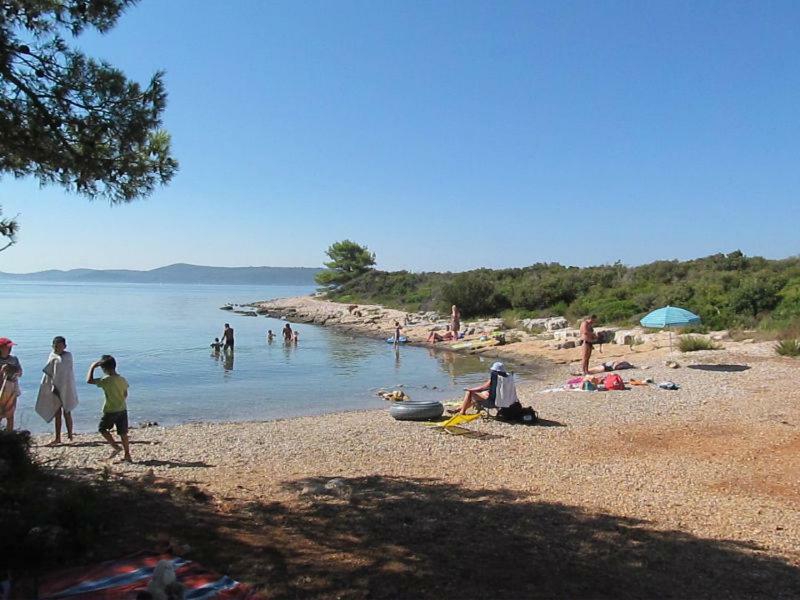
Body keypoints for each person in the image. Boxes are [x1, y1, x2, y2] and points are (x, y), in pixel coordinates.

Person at [87, 355, 132, 462]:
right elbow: (125, 394)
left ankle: (116, 447)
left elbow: (89, 380)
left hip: (110, 410)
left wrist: (92, 367)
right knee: (123, 433)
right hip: (122, 409)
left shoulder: (106, 380)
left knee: (102, 429)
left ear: (103, 369)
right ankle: (127, 454)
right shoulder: (122, 379)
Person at [36, 336, 79, 445]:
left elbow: (66, 373)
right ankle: (58, 437)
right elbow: (49, 373)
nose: (57, 348)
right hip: (53, 388)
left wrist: (62, 386)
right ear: (52, 346)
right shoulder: (52, 356)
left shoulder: (68, 356)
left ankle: (70, 435)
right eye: (55, 346)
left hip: (66, 387)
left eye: (60, 346)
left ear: (64, 346)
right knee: (57, 413)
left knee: (67, 411)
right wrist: (51, 386)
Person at [0, 338, 22, 432]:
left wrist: (12, 368)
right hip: (1, 390)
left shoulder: (14, 359)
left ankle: (9, 436)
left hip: (11, 390)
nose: (10, 349)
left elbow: (20, 373)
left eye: (10, 347)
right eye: (7, 347)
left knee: (10, 415)